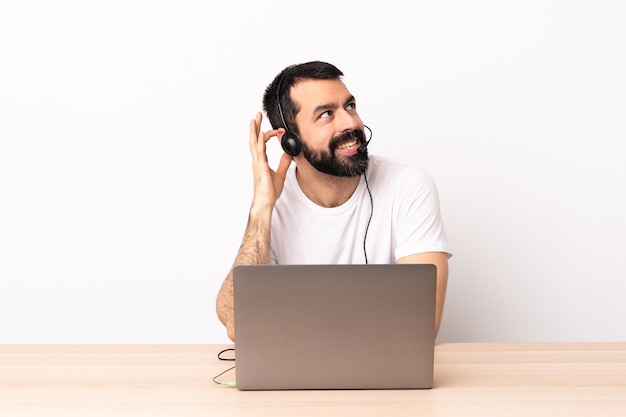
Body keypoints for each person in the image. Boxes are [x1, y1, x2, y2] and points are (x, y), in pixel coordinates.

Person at [216, 61, 452, 342]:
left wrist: (285, 324)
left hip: (382, 374)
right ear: (290, 141)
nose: (351, 123)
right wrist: (263, 206)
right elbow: (236, 323)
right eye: (327, 114)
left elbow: (421, 322)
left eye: (349, 106)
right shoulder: (263, 207)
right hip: (292, 378)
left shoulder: (408, 186)